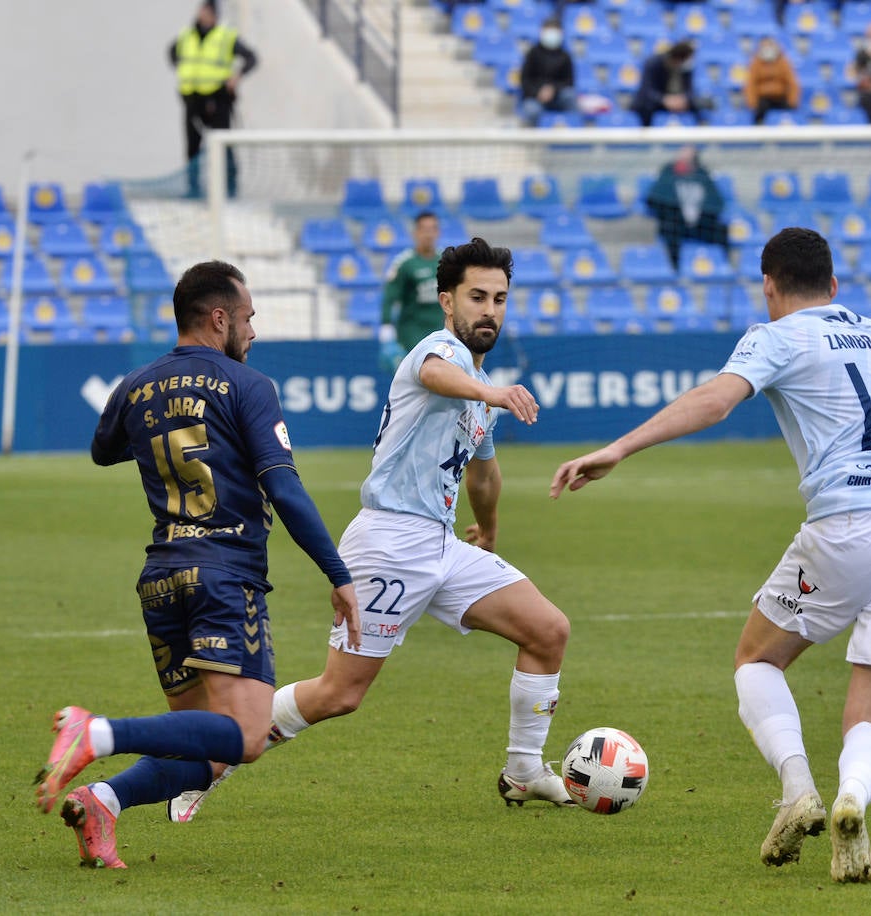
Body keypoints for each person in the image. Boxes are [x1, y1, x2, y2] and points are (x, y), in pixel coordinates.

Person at [551, 227, 871, 884]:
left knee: (758, 657)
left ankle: (799, 791)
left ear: (769, 286)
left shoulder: (777, 336)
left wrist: (619, 448)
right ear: (833, 285)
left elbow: (714, 401)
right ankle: (852, 796)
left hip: (849, 524)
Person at [168, 238, 574, 823]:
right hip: (388, 542)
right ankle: (209, 761)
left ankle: (525, 769)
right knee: (339, 695)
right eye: (477, 297)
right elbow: (437, 375)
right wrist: (490, 391)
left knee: (547, 630)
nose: (490, 310)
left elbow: (484, 472)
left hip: (440, 543)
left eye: (500, 299)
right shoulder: (437, 353)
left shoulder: (479, 387)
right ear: (446, 301)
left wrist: (487, 528)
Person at [33, 260, 361, 868]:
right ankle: (96, 733)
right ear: (218, 319)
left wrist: (151, 396)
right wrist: (339, 576)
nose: (252, 332)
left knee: (201, 750)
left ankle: (101, 802)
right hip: (223, 576)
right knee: (245, 737)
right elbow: (284, 489)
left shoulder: (138, 383)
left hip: (162, 580)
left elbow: (103, 449)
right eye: (247, 318)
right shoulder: (249, 386)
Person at [169, 1, 258, 199]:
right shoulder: (187, 35)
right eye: (202, 11)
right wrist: (182, 71)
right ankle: (193, 190)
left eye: (209, 12)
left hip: (217, 99)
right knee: (192, 148)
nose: (204, 15)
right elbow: (172, 53)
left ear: (215, 15)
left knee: (224, 146)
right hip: (192, 99)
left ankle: (231, 190)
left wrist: (236, 77)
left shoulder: (225, 36)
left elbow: (252, 58)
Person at [645, 145, 729, 269]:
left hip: (700, 224)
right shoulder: (669, 172)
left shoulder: (702, 174)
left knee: (721, 231)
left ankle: (722, 266)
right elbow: (655, 199)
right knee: (670, 229)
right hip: (677, 223)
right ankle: (675, 269)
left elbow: (716, 203)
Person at [379, 210, 442, 372]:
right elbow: (389, 297)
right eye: (424, 229)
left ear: (438, 232)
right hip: (412, 336)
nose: (428, 234)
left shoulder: (447, 261)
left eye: (432, 229)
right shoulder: (405, 263)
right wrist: (386, 329)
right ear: (415, 233)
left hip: (442, 336)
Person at [519, 18, 577, 127]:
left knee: (570, 97)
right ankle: (536, 141)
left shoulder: (565, 56)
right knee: (532, 110)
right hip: (535, 98)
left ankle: (574, 137)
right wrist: (538, 92)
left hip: (558, 97)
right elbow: (525, 81)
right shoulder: (532, 54)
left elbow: (569, 82)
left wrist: (553, 89)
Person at [630, 40, 702, 128]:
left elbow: (690, 91)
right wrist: (665, 100)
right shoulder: (653, 63)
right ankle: (646, 133)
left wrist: (683, 99)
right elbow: (647, 91)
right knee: (644, 106)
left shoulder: (686, 66)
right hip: (657, 102)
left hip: (678, 101)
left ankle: (699, 135)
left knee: (698, 105)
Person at [745, 36, 800, 125]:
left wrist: (792, 101)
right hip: (763, 99)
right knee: (759, 111)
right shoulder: (756, 63)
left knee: (790, 110)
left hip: (780, 97)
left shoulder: (783, 62)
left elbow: (792, 82)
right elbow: (751, 84)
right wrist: (752, 103)